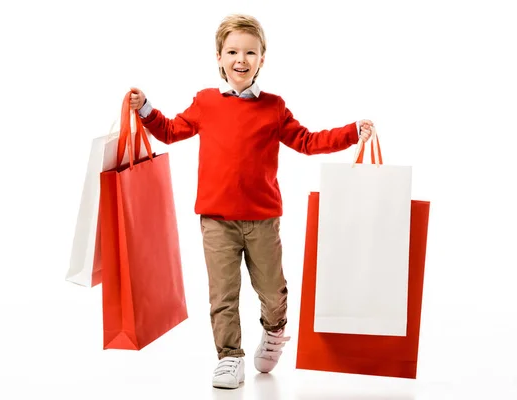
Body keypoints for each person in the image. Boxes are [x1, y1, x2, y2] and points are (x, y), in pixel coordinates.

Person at [129, 13, 374, 389]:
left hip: (262, 220)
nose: (240, 59)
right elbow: (170, 130)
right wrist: (146, 108)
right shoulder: (206, 102)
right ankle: (229, 358)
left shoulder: (273, 107)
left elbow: (307, 141)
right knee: (223, 295)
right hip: (216, 220)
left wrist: (350, 133)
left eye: (250, 52)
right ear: (219, 57)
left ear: (262, 59)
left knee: (273, 290)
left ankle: (274, 331)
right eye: (232, 52)